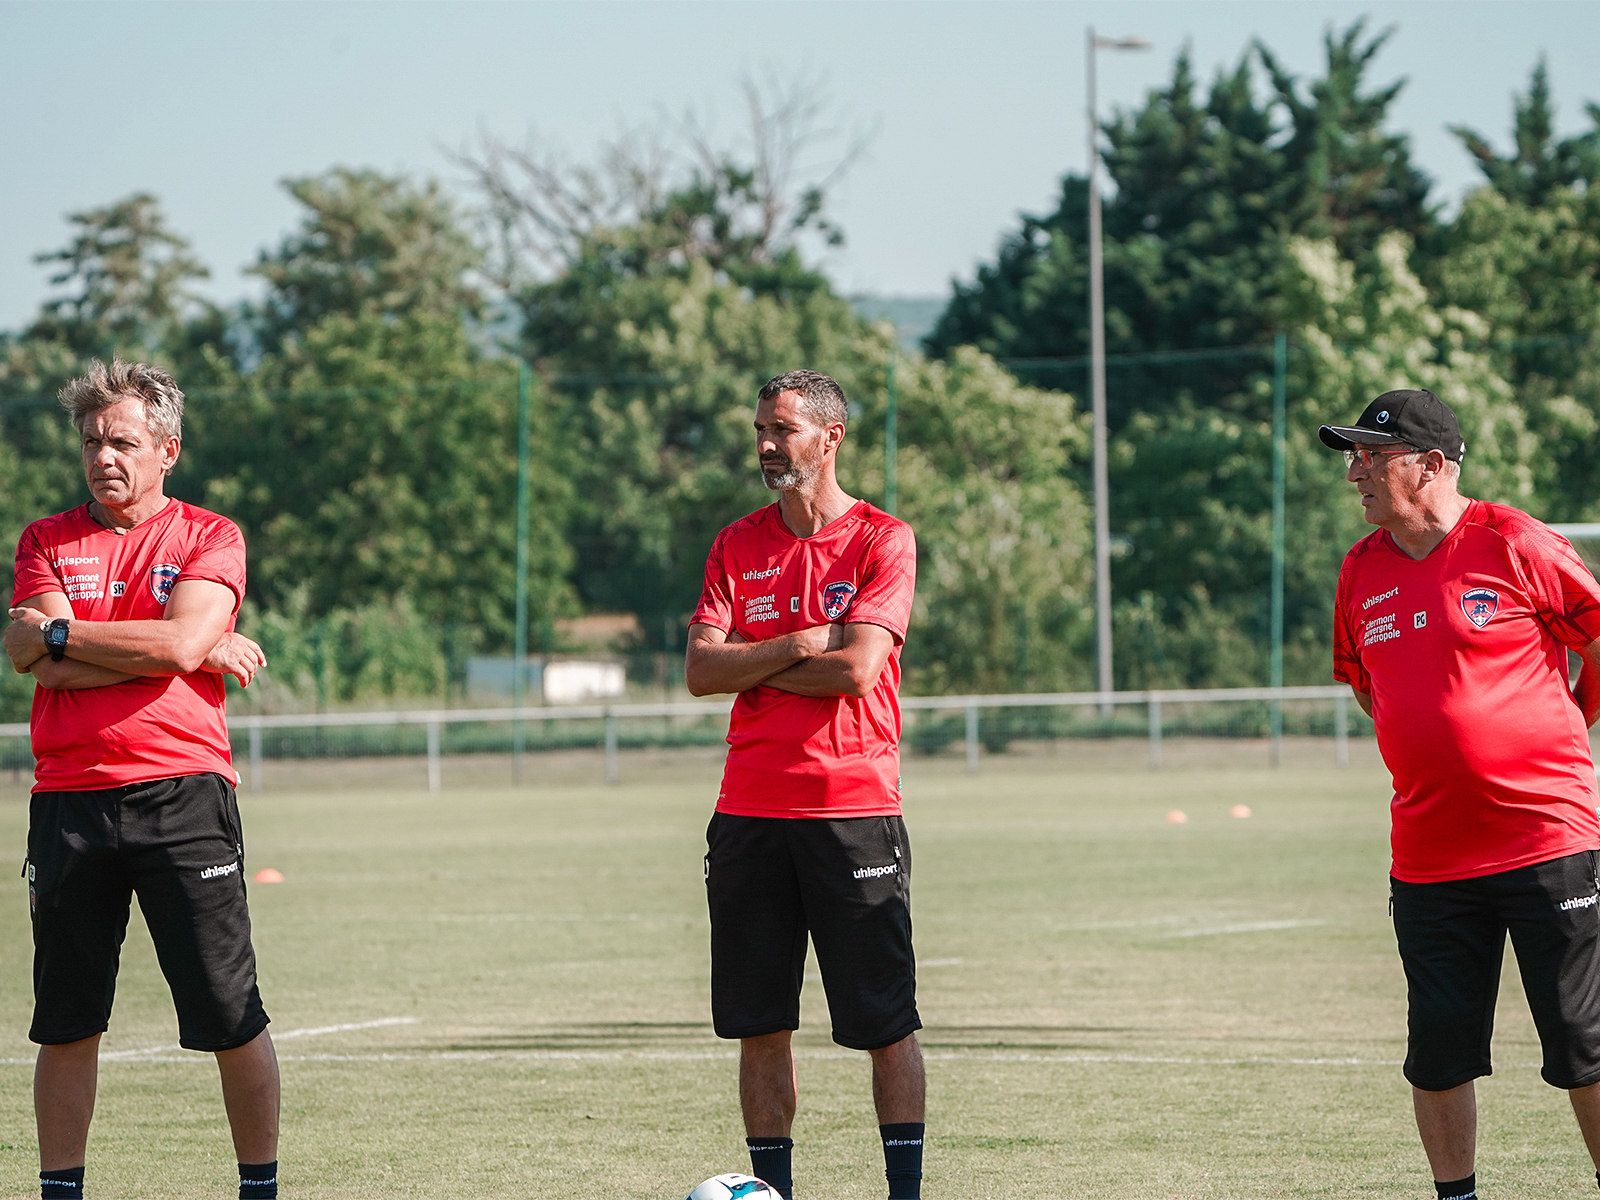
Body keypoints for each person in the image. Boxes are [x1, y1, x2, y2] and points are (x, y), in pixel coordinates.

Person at [3, 360, 279, 1200]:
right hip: (69, 802)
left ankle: (259, 1190)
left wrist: (69, 637)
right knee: (67, 1019)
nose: (103, 457)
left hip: (183, 795)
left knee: (230, 1013)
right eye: (92, 441)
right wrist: (173, 649)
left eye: (122, 441)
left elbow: (160, 647)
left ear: (168, 450)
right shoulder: (45, 541)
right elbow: (37, 660)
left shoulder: (209, 535)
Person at [1322, 388, 1600, 1200]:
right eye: (1354, 457)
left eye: (1372, 456)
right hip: (1430, 857)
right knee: (1439, 1051)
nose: (1355, 474)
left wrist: (1568, 720)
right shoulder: (1359, 569)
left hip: (1546, 839)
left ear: (1432, 465)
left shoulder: (1515, 541)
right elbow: (1365, 685)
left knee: (1582, 1041)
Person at [685, 370, 923, 1200]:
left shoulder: (882, 539)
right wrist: (795, 643)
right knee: (760, 1026)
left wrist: (749, 664)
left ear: (830, 437)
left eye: (782, 429)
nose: (765, 444)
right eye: (760, 428)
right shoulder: (735, 544)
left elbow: (858, 670)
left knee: (884, 1026)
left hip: (852, 812)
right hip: (747, 815)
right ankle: (772, 1193)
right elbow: (700, 672)